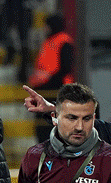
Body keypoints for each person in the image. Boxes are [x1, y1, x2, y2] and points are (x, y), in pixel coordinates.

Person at [28, 14, 74, 143]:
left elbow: (65, 69)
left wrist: (47, 81)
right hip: (44, 93)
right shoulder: (49, 42)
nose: (45, 28)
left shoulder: (63, 42)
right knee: (43, 130)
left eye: (46, 25)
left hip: (57, 92)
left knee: (53, 129)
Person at [0, 0, 33, 82]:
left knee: (24, 41)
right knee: (2, 31)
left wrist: (33, 3)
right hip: (8, 6)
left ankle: (23, 72)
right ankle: (11, 50)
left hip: (24, 7)